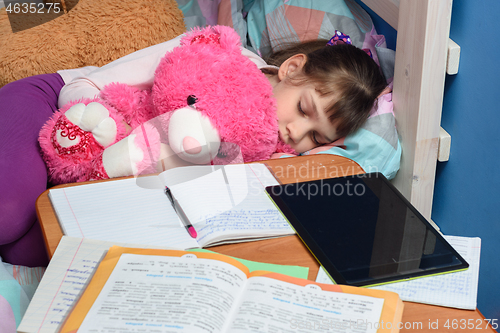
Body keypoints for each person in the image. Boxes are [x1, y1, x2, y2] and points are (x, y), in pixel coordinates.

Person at [0, 28, 386, 267]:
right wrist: (96, 126)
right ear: (291, 69)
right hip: (57, 107)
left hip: (109, 168)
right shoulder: (217, 56)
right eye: (303, 109)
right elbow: (85, 87)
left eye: (315, 137)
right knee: (8, 212)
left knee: (31, 252)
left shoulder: (272, 150)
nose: (295, 133)